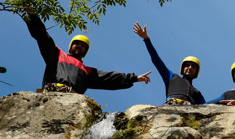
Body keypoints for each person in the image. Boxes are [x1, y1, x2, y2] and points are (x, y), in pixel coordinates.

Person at [23, 12, 151, 94]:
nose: (79, 46)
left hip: (72, 100)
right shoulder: (57, 55)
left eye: (83, 46)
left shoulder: (87, 71)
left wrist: (134, 78)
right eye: (76, 43)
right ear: (70, 47)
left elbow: (110, 78)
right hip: (52, 93)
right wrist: (33, 16)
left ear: (85, 52)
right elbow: (43, 37)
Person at [132, 22, 205, 105]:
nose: (190, 67)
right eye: (187, 65)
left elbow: (207, 107)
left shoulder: (197, 93)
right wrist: (146, 39)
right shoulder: (172, 77)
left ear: (196, 72)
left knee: (223, 96)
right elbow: (156, 60)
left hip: (190, 112)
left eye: (193, 67)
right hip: (173, 108)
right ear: (182, 68)